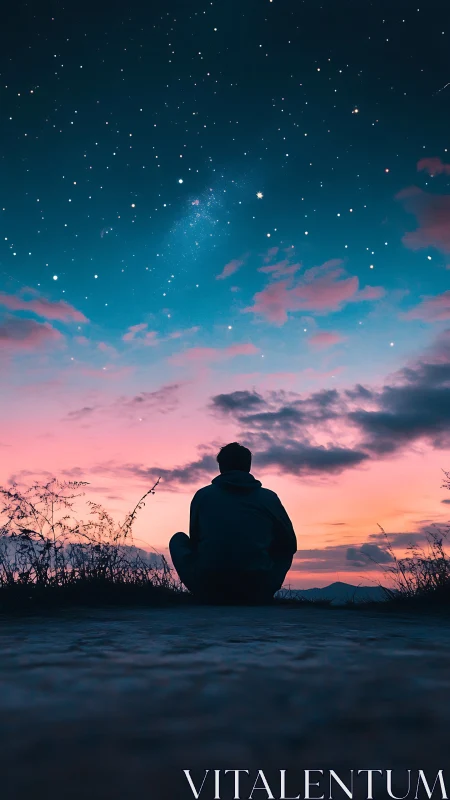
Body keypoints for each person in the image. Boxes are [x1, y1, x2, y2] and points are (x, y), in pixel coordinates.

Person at [169, 442, 297, 604]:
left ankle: (207, 594)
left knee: (178, 539)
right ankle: (261, 594)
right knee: (284, 546)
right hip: (258, 588)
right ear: (248, 467)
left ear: (221, 467)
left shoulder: (203, 496)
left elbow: (195, 541)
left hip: (209, 587)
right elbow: (290, 543)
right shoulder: (269, 498)